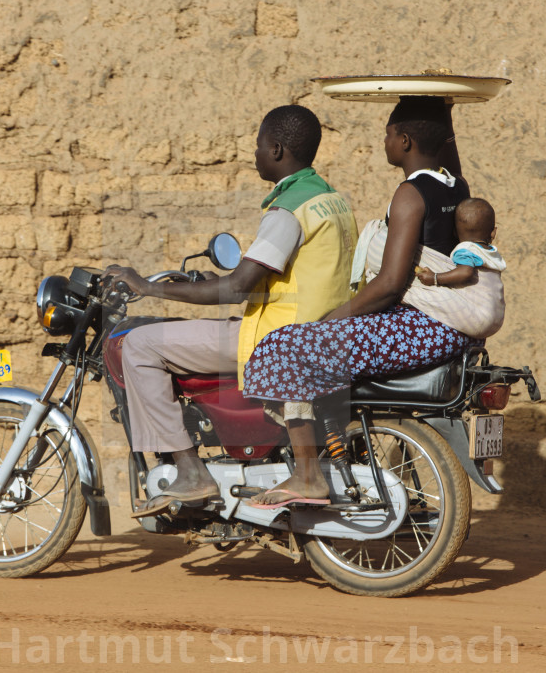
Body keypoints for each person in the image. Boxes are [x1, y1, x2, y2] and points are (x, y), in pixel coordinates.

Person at [104, 104, 358, 519]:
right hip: (316, 330)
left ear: (276, 150)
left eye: (257, 146)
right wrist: (204, 282)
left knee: (141, 345)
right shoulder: (331, 200)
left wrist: (147, 287)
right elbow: (289, 275)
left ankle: (189, 471)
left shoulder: (288, 210)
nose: (254, 154)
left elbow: (238, 287)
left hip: (275, 337)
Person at [243, 96, 477, 508]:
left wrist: (333, 318)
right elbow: (445, 151)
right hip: (447, 327)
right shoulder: (456, 185)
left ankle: (307, 475)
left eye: (388, 133)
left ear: (403, 141)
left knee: (286, 347)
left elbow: (389, 284)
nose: (384, 140)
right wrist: (445, 108)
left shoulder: (409, 195)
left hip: (419, 326)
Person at [409, 196, 506, 339]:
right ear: (493, 232)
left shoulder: (465, 250)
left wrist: (435, 278)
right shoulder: (491, 253)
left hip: (479, 317)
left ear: (454, 232)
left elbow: (465, 272)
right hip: (497, 318)